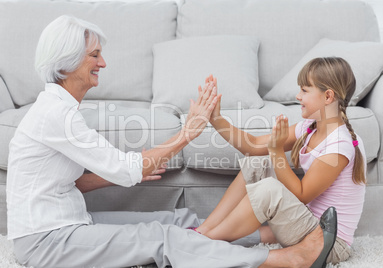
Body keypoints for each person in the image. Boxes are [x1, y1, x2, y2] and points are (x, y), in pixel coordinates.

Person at [6, 15, 336, 268]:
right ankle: (286, 260)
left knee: (175, 220)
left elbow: (75, 182)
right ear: (69, 61)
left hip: (70, 221)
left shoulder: (61, 109)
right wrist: (186, 134)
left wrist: (131, 167)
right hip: (45, 240)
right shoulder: (57, 115)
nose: (103, 63)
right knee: (161, 238)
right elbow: (125, 170)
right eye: (94, 56)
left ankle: (269, 236)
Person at [194, 57, 366, 265]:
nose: (298, 96)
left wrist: (276, 151)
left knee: (268, 189)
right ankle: (203, 231)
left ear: (328, 96)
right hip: (306, 224)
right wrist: (216, 119)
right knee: (257, 163)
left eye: (304, 90)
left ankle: (203, 243)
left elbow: (301, 195)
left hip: (327, 244)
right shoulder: (310, 127)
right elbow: (255, 145)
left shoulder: (338, 146)